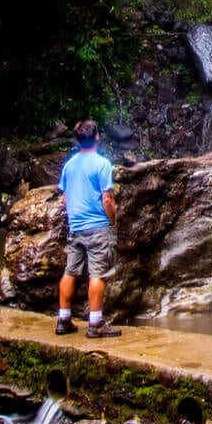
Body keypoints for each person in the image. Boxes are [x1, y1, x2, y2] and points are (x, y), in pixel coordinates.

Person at [56, 120, 121, 338]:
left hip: (76, 227)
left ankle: (63, 320)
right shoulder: (102, 164)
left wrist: (76, 217)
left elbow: (65, 198)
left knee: (70, 272)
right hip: (98, 227)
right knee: (98, 274)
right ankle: (95, 324)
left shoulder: (69, 165)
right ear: (97, 137)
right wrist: (112, 220)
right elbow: (107, 199)